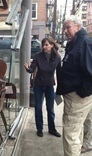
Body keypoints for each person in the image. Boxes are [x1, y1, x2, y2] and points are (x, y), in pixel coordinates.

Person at [56, 15, 92, 156]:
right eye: (64, 27)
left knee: (70, 135)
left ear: (78, 27)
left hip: (78, 97)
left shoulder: (85, 43)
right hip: (73, 95)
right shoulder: (75, 43)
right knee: (76, 131)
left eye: (68, 27)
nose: (65, 30)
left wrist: (82, 93)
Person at [24, 37, 61, 137]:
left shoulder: (57, 57)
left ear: (52, 45)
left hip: (49, 86)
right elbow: (32, 69)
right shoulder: (37, 56)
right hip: (38, 85)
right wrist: (28, 69)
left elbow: (59, 72)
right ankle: (39, 129)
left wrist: (61, 86)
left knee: (50, 108)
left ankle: (52, 129)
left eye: (46, 45)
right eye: (43, 45)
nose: (44, 47)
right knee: (38, 107)